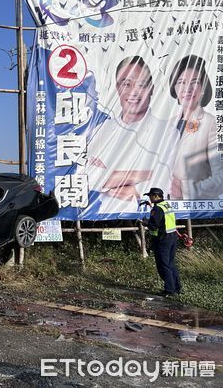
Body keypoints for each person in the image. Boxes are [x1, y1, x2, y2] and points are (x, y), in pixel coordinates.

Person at [85, 56, 176, 215]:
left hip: (151, 215)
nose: (133, 91)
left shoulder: (167, 132)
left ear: (151, 89)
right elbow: (89, 178)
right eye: (126, 84)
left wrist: (119, 179)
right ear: (117, 88)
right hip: (102, 214)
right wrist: (145, 174)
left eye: (141, 84)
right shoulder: (100, 131)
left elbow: (168, 181)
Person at [168, 55, 223, 199]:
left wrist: (184, 190)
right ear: (174, 87)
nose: (188, 89)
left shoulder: (210, 123)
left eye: (195, 82)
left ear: (203, 88)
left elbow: (221, 178)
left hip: (195, 207)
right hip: (166, 205)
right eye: (181, 82)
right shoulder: (166, 125)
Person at [142, 187, 181, 296]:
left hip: (163, 239)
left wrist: (146, 223)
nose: (149, 198)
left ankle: (169, 290)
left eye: (150, 196)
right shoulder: (166, 205)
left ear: (156, 196)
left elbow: (154, 226)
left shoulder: (157, 208)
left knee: (163, 265)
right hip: (172, 236)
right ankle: (177, 288)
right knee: (170, 263)